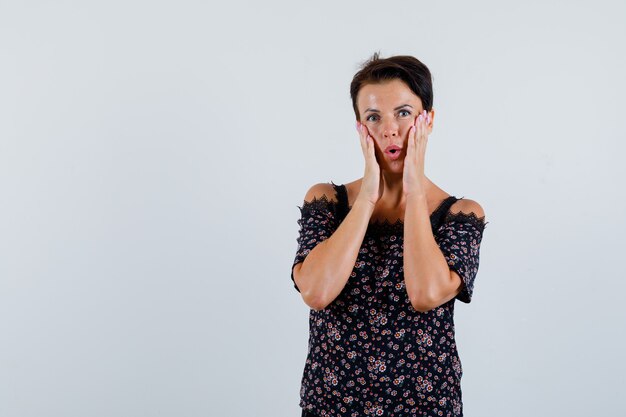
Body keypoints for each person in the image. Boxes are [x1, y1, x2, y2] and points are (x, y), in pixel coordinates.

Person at [290, 53, 488, 417]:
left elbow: (426, 294)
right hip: (332, 406)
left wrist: (415, 191)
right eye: (373, 117)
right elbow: (316, 292)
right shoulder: (327, 201)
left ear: (427, 119)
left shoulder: (461, 215)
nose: (389, 129)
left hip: (425, 408)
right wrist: (367, 195)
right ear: (359, 126)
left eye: (403, 113)